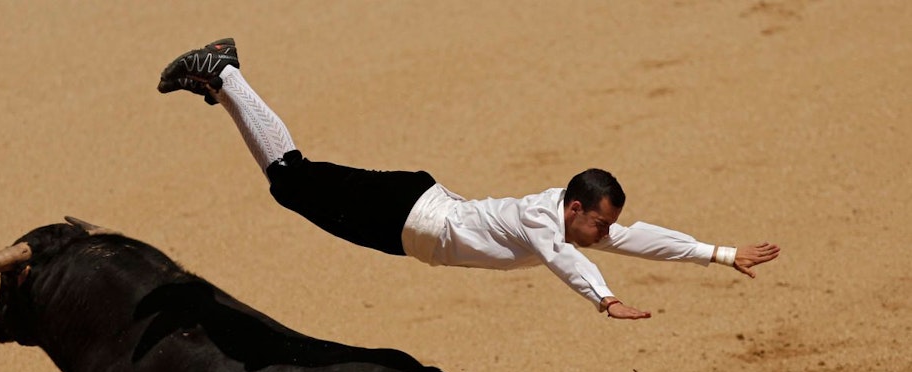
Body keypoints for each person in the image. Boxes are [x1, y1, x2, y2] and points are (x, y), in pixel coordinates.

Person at [157, 38, 779, 320]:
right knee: (293, 180)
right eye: (601, 220)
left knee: (293, 183)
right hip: (407, 215)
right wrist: (604, 298)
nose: (606, 231)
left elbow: (642, 238)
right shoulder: (548, 224)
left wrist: (720, 254)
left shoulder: (573, 227)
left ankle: (221, 78)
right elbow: (566, 261)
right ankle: (225, 74)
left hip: (407, 224)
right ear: (575, 206)